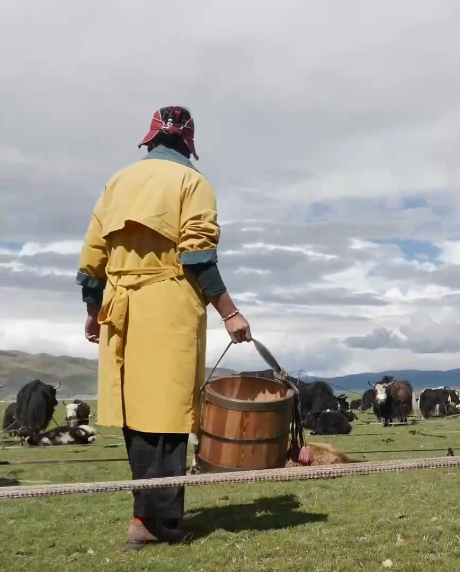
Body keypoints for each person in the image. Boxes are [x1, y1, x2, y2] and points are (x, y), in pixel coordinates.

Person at [75, 106, 253, 550]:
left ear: (151, 139)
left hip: (121, 311)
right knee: (171, 418)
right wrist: (230, 312)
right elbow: (197, 257)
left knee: (138, 419)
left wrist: (94, 311)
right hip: (169, 306)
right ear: (187, 144)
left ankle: (142, 518)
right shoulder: (193, 183)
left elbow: (91, 262)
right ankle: (163, 526)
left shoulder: (117, 183)